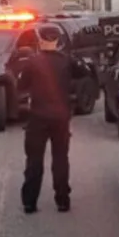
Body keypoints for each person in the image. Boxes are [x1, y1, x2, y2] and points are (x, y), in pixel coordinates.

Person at [18, 23, 89, 214]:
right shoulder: (66, 60)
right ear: (57, 40)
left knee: (34, 160)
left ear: (40, 39)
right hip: (60, 117)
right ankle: (62, 201)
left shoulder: (32, 62)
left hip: (37, 117)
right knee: (60, 158)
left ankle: (30, 203)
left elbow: (21, 85)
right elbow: (84, 72)